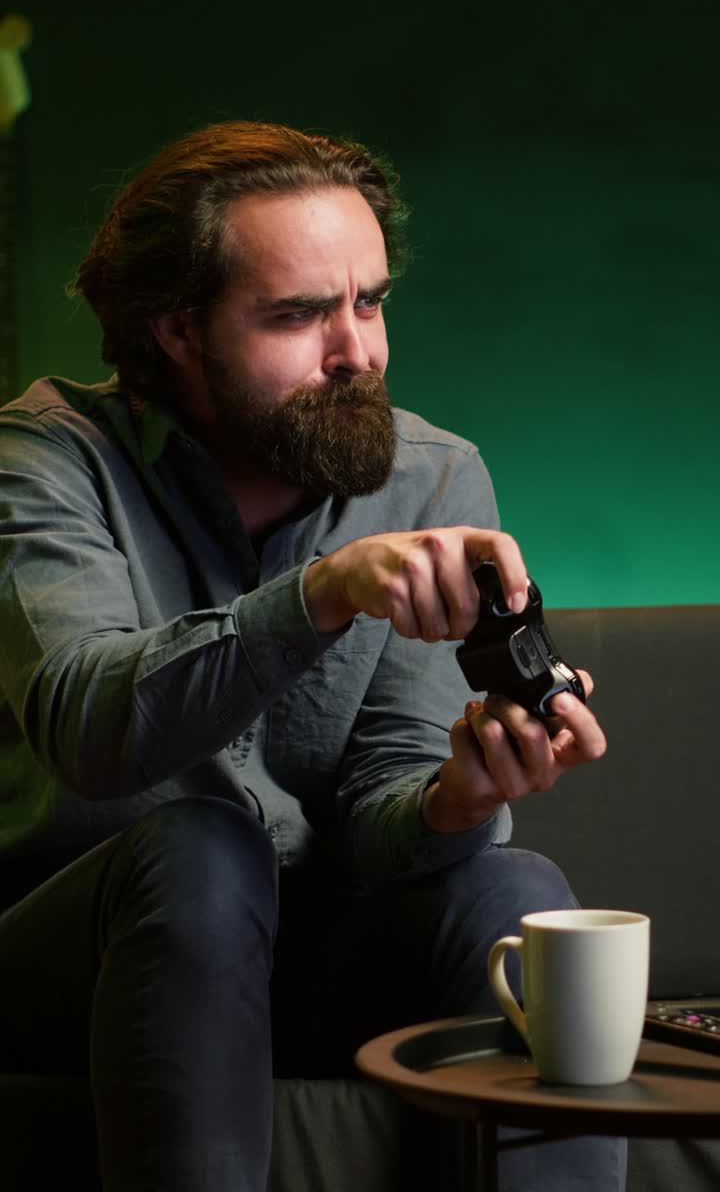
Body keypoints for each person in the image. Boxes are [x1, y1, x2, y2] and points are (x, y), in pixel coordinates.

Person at [0, 121, 624, 1191]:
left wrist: (452, 798)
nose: (358, 351)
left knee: (513, 881)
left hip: (307, 950)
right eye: (298, 314)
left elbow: (382, 803)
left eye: (370, 301)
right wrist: (319, 594)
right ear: (177, 331)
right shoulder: (44, 459)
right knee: (198, 849)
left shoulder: (432, 477)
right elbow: (90, 730)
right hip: (82, 960)